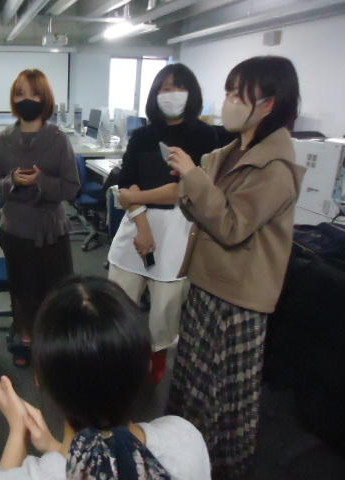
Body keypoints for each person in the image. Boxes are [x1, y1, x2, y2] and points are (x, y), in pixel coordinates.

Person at [166, 56, 305, 479]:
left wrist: (193, 177)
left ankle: (220, 468)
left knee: (222, 397)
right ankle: (186, 458)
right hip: (208, 283)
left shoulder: (276, 168)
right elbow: (197, 206)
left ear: (267, 104)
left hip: (237, 299)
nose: (227, 102)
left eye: (237, 95)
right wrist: (194, 181)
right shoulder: (230, 152)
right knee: (193, 383)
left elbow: (230, 225)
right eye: (227, 92)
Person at [0, 276, 211, 480]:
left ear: (40, 379)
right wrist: (53, 446)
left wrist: (18, 431)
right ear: (145, 367)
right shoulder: (185, 440)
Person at [107, 63, 218, 383]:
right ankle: (120, 358)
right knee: (118, 301)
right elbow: (126, 184)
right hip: (136, 226)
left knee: (165, 309)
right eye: (165, 88)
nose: (171, 94)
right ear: (155, 94)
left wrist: (138, 196)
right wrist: (143, 226)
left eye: (178, 87)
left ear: (191, 93)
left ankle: (155, 362)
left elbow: (185, 191)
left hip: (178, 232)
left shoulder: (205, 136)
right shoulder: (142, 135)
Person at [0, 69, 80, 367]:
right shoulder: (4, 139)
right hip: (16, 227)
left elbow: (72, 187)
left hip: (52, 228)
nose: (26, 99)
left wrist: (42, 181)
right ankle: (24, 339)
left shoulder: (58, 139)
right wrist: (12, 181)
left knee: (55, 291)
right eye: (20, 93)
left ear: (45, 98)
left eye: (34, 93)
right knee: (22, 289)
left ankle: (53, 345)